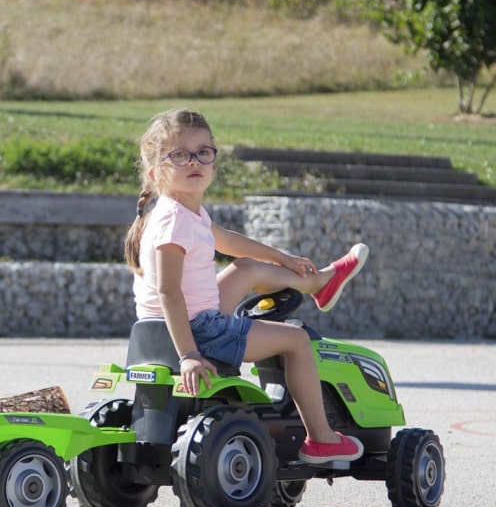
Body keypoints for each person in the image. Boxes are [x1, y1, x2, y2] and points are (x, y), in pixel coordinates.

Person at [124, 109, 369, 465]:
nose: (194, 161)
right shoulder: (174, 223)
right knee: (297, 341)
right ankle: (322, 439)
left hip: (159, 330)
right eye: (179, 155)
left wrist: (283, 258)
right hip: (197, 331)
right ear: (155, 171)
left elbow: (229, 242)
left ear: (213, 160)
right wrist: (190, 355)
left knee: (247, 269)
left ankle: (318, 284)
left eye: (203, 152)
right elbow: (169, 293)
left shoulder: (180, 213)